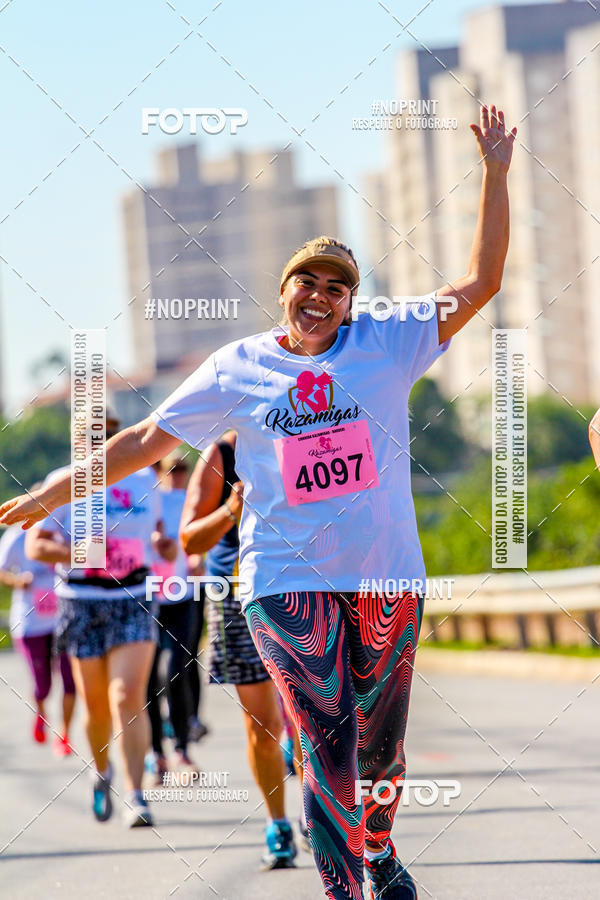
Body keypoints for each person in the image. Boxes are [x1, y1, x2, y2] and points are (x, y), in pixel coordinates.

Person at [0, 105, 516, 899]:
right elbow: (142, 443)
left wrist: (497, 173)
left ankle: (379, 849)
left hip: (385, 579)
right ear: (283, 290)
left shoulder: (390, 336)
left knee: (381, 750)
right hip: (282, 582)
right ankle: (344, 889)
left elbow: (482, 281)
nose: (322, 294)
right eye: (307, 280)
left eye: (338, 286)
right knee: (326, 742)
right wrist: (49, 493)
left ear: (351, 301)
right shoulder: (236, 368)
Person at [22, 410, 178, 828]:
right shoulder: (63, 481)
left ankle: (136, 794)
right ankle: (102, 770)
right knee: (95, 706)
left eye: (106, 436)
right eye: (87, 439)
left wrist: (162, 544)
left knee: (128, 695)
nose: (96, 446)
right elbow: (35, 546)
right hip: (81, 601)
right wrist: (81, 553)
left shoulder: (144, 480)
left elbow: (158, 531)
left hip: (134, 595)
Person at [180, 430, 299, 869]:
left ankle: (318, 815)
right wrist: (231, 511)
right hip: (237, 597)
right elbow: (190, 540)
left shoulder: (305, 431)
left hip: (300, 589)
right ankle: (279, 825)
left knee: (313, 718)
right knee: (263, 727)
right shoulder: (221, 453)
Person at [146, 452, 204, 779]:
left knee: (174, 671)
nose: (177, 475)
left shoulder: (188, 501)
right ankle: (156, 753)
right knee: (148, 681)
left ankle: (181, 749)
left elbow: (198, 539)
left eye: (183, 468)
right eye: (171, 469)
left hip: (182, 595)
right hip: (147, 599)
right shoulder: (146, 500)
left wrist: (198, 559)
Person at [0, 514, 75, 754]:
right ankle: (42, 712)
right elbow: (1, 571)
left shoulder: (63, 534)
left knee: (70, 679)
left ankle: (65, 734)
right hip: (30, 622)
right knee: (43, 684)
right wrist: (17, 580)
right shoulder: (16, 537)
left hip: (62, 620)